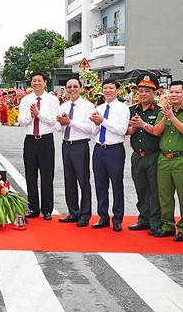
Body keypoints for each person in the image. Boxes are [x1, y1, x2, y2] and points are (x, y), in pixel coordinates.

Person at [149, 82, 183, 241]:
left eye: (178, 92)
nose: (174, 95)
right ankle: (168, 226)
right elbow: (156, 132)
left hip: (182, 159)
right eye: (172, 92)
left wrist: (172, 118)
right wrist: (165, 117)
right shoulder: (163, 111)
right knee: (164, 195)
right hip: (164, 159)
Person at [89, 79, 129, 231]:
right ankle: (103, 216)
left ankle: (117, 218)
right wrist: (96, 123)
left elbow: (121, 130)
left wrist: (103, 121)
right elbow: (94, 131)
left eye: (111, 88)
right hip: (99, 149)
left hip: (115, 150)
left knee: (116, 185)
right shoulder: (99, 107)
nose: (107, 91)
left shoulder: (122, 109)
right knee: (100, 185)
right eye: (105, 88)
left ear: (117, 90)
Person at [19, 71, 59, 220]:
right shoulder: (25, 100)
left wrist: (39, 113)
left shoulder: (52, 100)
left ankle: (47, 209)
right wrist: (31, 116)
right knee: (30, 175)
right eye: (34, 81)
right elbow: (21, 120)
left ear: (45, 82)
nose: (36, 83)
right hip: (30, 141)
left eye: (39, 80)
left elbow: (54, 120)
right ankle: (33, 208)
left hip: (46, 141)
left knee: (47, 175)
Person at [55, 77, 95, 226]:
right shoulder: (64, 106)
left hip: (80, 145)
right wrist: (62, 123)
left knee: (83, 180)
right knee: (69, 180)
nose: (72, 89)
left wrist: (70, 122)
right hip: (66, 144)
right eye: (69, 87)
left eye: (75, 86)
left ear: (80, 88)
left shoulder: (88, 106)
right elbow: (57, 128)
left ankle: (85, 214)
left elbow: (89, 128)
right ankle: (73, 212)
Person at [126, 75, 162, 233]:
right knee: (141, 189)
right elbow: (126, 131)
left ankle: (155, 222)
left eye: (147, 91)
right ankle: (143, 218)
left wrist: (142, 124)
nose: (143, 94)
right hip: (137, 155)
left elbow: (160, 132)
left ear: (154, 93)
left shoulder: (160, 110)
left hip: (153, 155)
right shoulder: (132, 110)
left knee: (155, 190)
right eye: (140, 91)